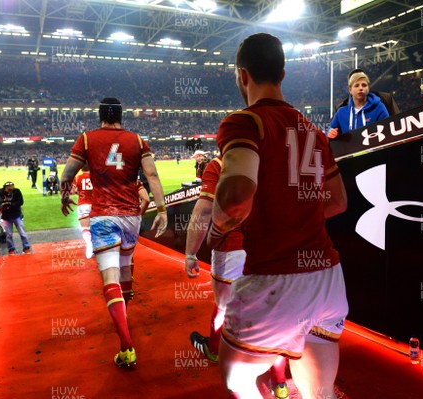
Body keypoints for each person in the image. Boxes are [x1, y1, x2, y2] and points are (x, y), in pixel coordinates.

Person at [210, 33, 348, 399]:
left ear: (243, 75)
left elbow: (237, 195)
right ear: (282, 73)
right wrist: (295, 210)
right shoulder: (313, 132)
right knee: (321, 392)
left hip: (276, 279)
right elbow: (337, 202)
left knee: (236, 380)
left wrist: (218, 225)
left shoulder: (244, 122)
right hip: (328, 280)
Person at [59, 97, 168, 369]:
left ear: (100, 116)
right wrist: (162, 209)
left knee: (110, 277)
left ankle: (126, 346)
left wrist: (64, 195)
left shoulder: (86, 139)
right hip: (131, 216)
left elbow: (67, 173)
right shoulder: (137, 140)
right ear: (121, 116)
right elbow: (152, 175)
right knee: (126, 270)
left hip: (104, 216)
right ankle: (124, 321)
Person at [185, 156, 290, 399]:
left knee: (224, 309)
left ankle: (214, 350)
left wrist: (191, 253)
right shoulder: (271, 161)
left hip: (231, 251)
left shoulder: (219, 165)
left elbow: (203, 210)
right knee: (273, 314)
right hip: (269, 248)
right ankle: (280, 382)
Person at [327, 71, 389, 139]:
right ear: (350, 90)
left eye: (364, 85)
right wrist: (330, 132)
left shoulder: (379, 108)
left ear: (368, 88)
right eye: (356, 85)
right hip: (349, 149)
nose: (361, 88)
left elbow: (388, 131)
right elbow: (330, 129)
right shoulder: (341, 112)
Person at [0, 182, 32, 255]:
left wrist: (9, 205)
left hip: (17, 215)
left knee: (22, 233)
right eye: (9, 189)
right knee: (9, 235)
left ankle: (26, 248)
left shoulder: (16, 191)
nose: (10, 191)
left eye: (11, 189)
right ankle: (11, 249)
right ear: (5, 188)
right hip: (6, 217)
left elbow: (21, 202)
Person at [73, 163, 94, 259]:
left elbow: (72, 191)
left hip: (83, 204)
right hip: (95, 204)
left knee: (85, 228)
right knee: (96, 227)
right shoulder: (95, 177)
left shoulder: (78, 178)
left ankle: (89, 245)